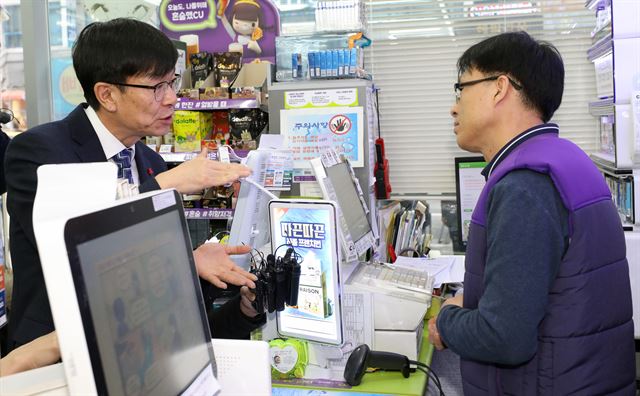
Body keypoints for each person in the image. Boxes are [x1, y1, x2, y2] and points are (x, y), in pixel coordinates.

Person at [3, 18, 261, 353]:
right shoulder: (40, 152)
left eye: (172, 82)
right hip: (57, 356)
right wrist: (165, 184)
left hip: (135, 348)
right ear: (107, 94)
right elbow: (76, 254)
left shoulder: (147, 160)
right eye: (157, 87)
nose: (172, 99)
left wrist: (194, 261)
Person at [428, 31, 635, 395]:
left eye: (461, 89)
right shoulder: (564, 160)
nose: (453, 106)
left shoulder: (524, 186)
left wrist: (445, 319)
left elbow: (504, 338)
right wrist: (472, 302)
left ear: (499, 88)